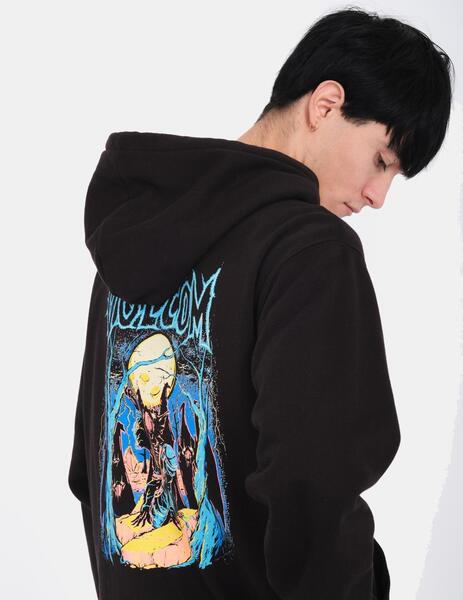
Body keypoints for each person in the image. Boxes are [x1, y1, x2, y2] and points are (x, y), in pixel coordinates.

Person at [68, 6, 454, 599]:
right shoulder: (311, 250)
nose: (377, 196)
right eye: (381, 160)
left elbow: (89, 475)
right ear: (326, 105)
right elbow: (313, 481)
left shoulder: (134, 236)